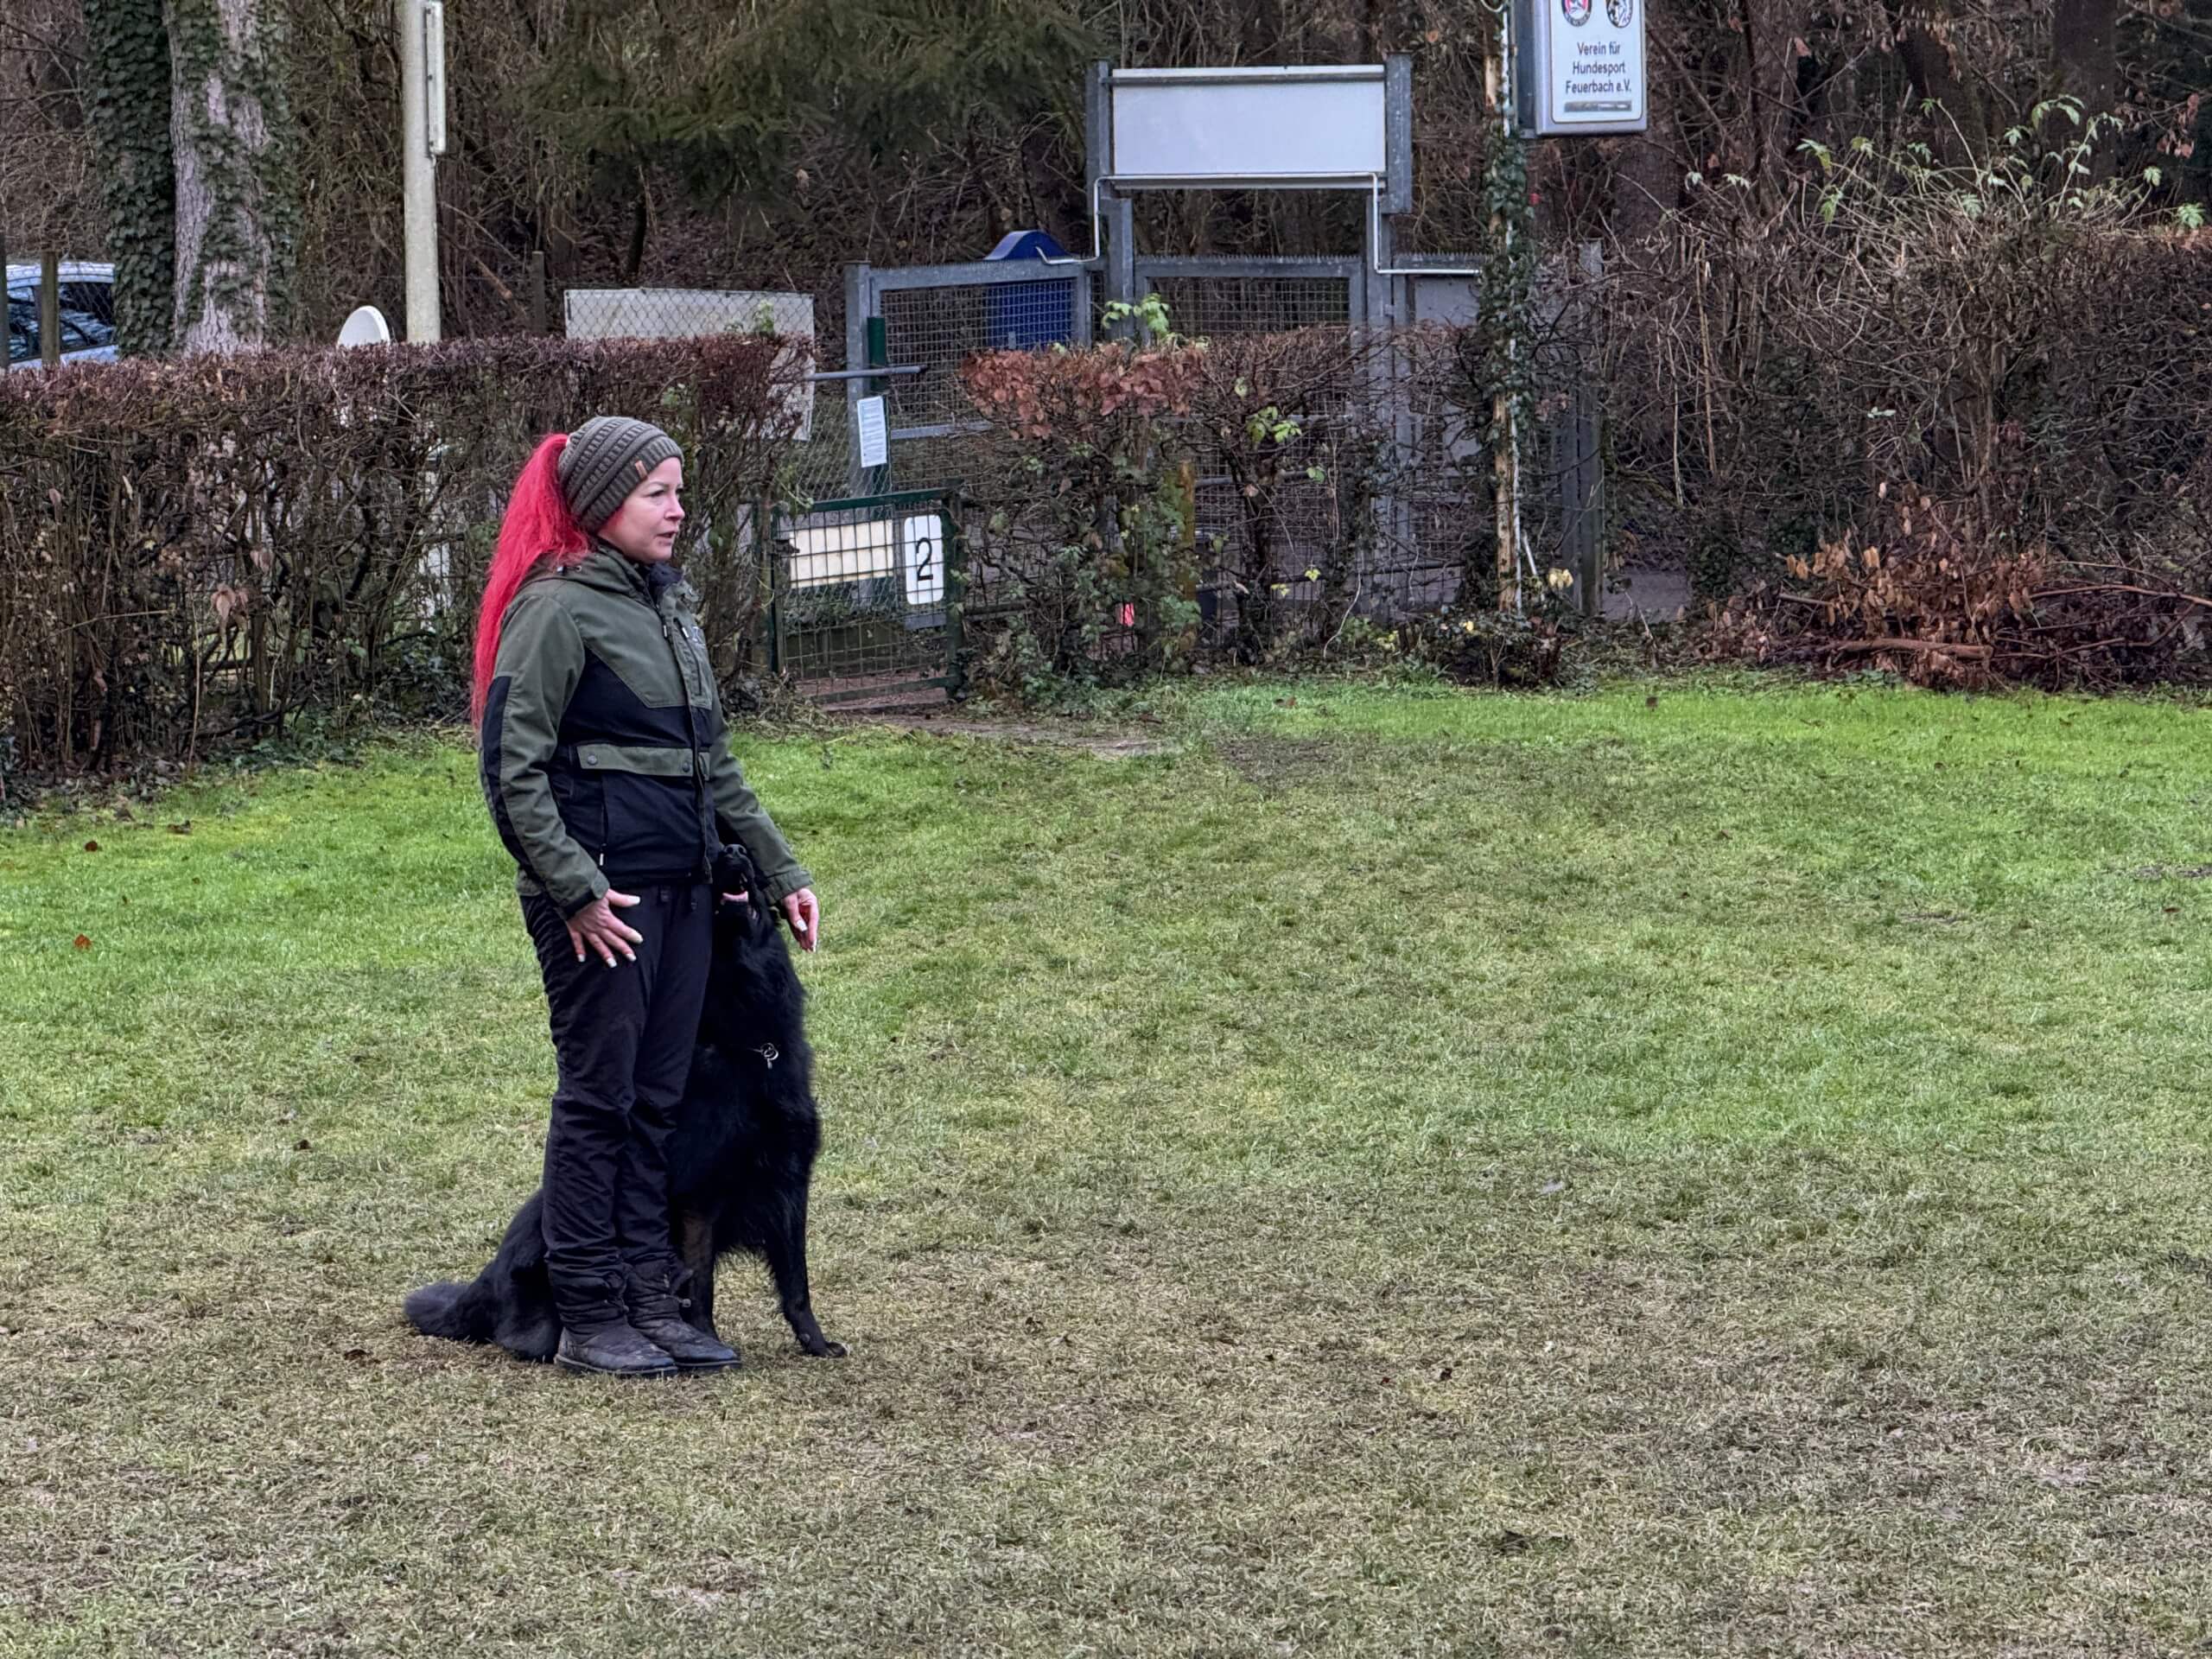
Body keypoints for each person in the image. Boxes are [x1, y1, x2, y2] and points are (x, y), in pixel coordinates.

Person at [472, 416, 820, 1378]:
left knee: (659, 1104)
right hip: (602, 905)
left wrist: (784, 874)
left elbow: (715, 766)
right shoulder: (553, 610)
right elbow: (511, 772)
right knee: (602, 1102)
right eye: (656, 493)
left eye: (678, 491)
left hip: (686, 894)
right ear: (600, 506)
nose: (677, 511)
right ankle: (589, 1313)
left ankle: (651, 1301)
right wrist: (577, 892)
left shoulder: (670, 610)